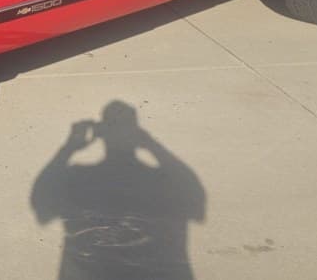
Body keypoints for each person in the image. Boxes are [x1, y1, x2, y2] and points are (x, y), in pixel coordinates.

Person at [31, 101, 206, 280]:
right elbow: (194, 196)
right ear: (136, 135)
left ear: (101, 133)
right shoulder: (160, 180)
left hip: (88, 271)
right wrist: (152, 145)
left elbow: (41, 207)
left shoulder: (78, 177)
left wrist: (68, 148)